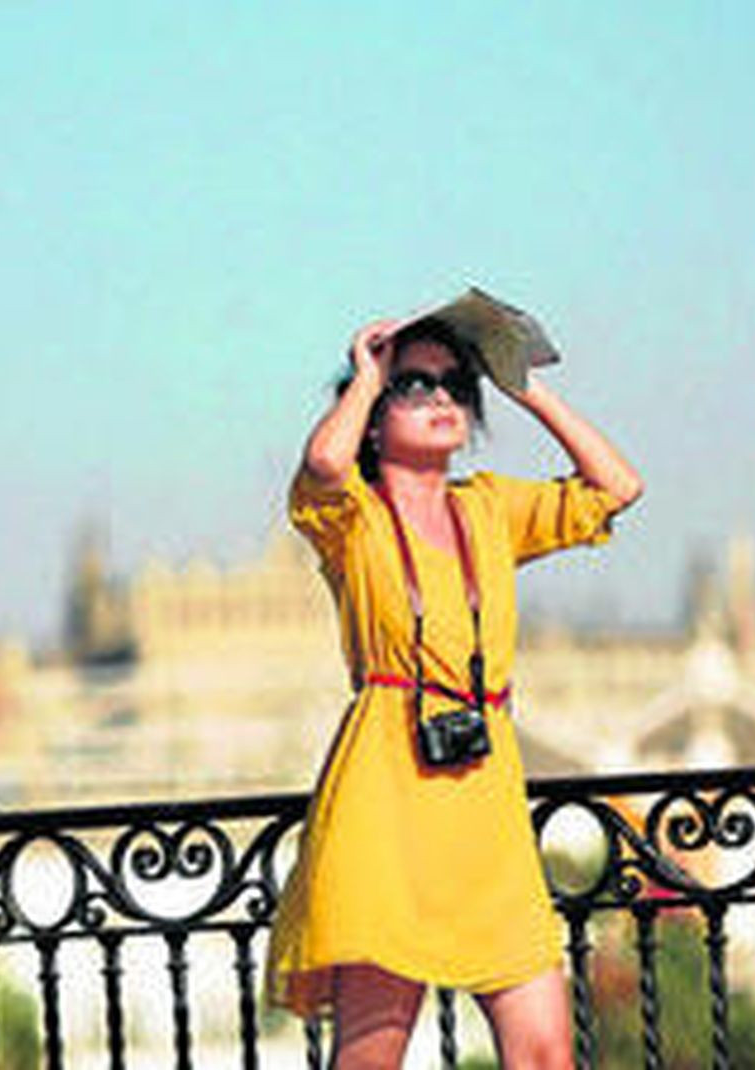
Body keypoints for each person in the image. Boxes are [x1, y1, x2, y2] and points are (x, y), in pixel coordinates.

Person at [265, 314, 643, 1069]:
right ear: (374, 421)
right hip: (386, 799)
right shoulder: (353, 518)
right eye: (415, 385)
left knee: (545, 1053)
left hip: (486, 803)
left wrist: (528, 391)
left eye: (455, 385)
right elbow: (324, 463)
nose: (442, 397)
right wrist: (367, 377)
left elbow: (617, 487)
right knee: (373, 1055)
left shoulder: (490, 508)